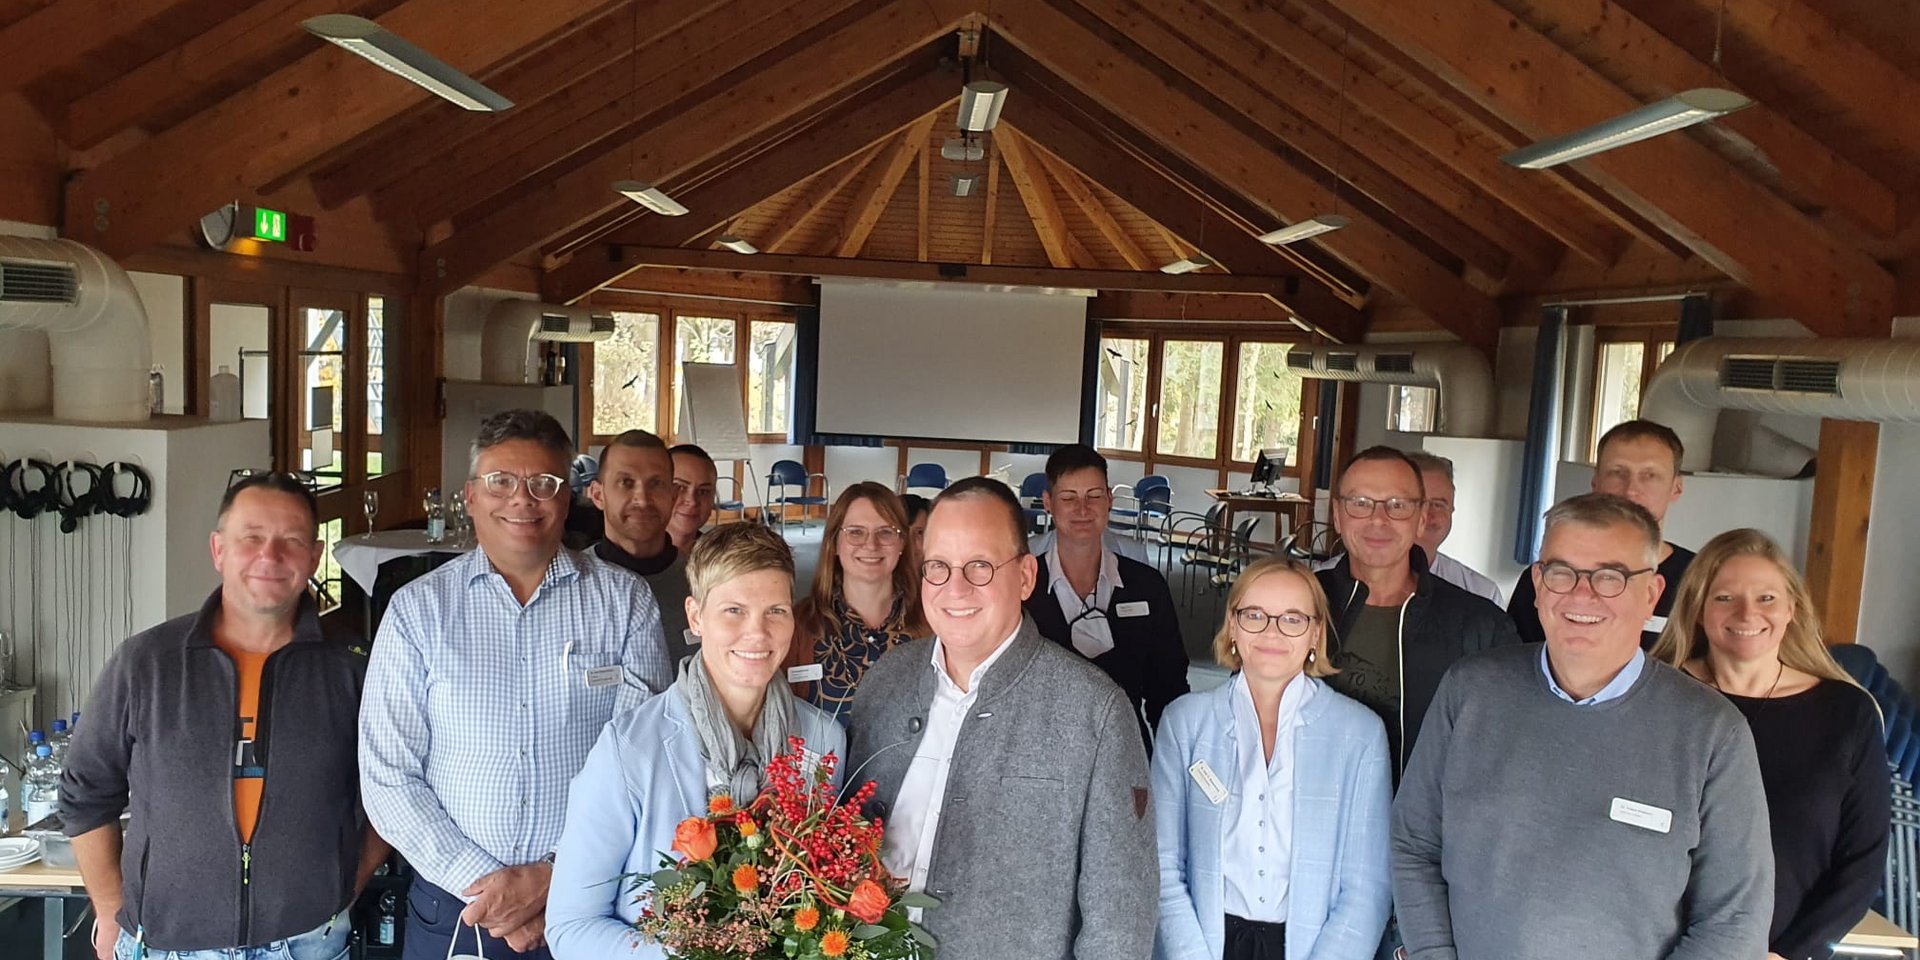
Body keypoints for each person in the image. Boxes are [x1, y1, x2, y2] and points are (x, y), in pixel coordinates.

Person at [1392, 493, 1773, 960]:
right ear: (1538, 584)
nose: (1581, 593)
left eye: (1610, 576)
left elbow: (1735, 920)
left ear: (1651, 594)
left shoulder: (1713, 733)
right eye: (1561, 572)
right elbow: (1414, 844)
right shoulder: (1470, 691)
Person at [360, 409, 674, 960]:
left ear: (567, 498)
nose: (522, 500)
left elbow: (647, 766)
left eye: (544, 483)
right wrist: (490, 891)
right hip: (456, 908)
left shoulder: (625, 602)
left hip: (592, 905)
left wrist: (557, 876)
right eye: (501, 481)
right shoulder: (418, 611)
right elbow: (388, 776)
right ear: (471, 496)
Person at [62, 473, 387, 960]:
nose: (270, 556)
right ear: (219, 550)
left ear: (314, 557)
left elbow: (395, 792)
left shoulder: (355, 667)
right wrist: (110, 910)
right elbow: (85, 793)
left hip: (308, 942)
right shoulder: (147, 663)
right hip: (166, 945)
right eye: (251, 538)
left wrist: (344, 887)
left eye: (291, 541)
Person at [847, 477, 1156, 959]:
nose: (955, 588)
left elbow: (1119, 923)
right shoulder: (886, 681)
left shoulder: (1095, 714)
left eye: (980, 566)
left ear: (1026, 577)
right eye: (938, 567)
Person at [547, 522, 845, 959]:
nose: (757, 633)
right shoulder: (629, 749)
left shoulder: (824, 738)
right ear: (695, 616)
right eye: (734, 610)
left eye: (776, 611)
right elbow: (571, 927)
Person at [1652, 528, 1890, 960]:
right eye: (1725, 597)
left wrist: (1789, 954)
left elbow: (1863, 859)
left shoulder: (1846, 712)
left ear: (1791, 609)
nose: (1747, 613)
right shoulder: (1654, 697)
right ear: (1698, 608)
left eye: (1766, 598)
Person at [1153, 556, 1392, 960]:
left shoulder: (1361, 735)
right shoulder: (1185, 723)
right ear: (1232, 625)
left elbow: (1367, 887)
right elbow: (1161, 864)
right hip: (1203, 944)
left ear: (1316, 633)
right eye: (1254, 615)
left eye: (1292, 619)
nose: (1271, 631)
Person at [1316, 446, 1518, 776]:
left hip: (1422, 808)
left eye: (1397, 505)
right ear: (1338, 515)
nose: (1378, 519)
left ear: (1421, 518)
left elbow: (1502, 747)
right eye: (1360, 503)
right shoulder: (1298, 606)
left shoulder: (1482, 626)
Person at [1022, 445, 1187, 750]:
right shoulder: (1022, 588)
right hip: (1039, 752)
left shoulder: (1147, 586)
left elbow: (1168, 689)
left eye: (1094, 496)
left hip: (1125, 748)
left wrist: (1173, 762)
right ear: (1048, 503)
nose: (1082, 509)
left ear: (1109, 500)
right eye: (1068, 498)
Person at [1508, 419, 1694, 649]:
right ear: (1596, 481)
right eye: (1617, 472)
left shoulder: (1701, 579)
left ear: (1676, 487)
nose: (1631, 490)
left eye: (1649, 475)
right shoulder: (1548, 577)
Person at [783, 483, 928, 724]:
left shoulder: (932, 623)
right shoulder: (798, 625)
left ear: (902, 542)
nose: (871, 545)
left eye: (885, 532)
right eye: (856, 532)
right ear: (834, 542)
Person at [590, 429, 695, 665]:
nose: (643, 499)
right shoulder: (571, 586)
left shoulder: (703, 583)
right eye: (626, 483)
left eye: (656, 484)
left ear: (673, 496)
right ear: (598, 495)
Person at [1404, 451, 1502, 606]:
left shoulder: (1482, 593)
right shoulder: (1362, 583)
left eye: (1438, 504)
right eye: (1416, 503)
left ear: (1452, 510)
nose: (1426, 515)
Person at [668, 443, 720, 552]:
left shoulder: (720, 557)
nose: (692, 501)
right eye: (680, 487)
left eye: (703, 491)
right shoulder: (634, 553)